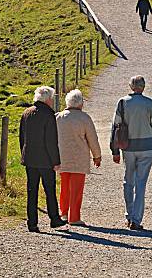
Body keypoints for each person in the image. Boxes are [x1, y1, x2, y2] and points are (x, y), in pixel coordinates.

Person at [110, 75, 152, 230]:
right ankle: (137, 220)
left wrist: (114, 150)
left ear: (131, 87)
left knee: (128, 181)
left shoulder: (122, 102)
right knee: (141, 184)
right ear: (143, 87)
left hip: (128, 148)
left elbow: (115, 127)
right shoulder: (149, 103)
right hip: (146, 148)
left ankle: (129, 215)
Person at [19, 86, 68, 232]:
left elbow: (22, 137)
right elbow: (51, 141)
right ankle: (54, 218)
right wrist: (56, 161)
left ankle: (32, 222)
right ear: (47, 99)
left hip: (30, 158)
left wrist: (24, 154)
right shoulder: (48, 115)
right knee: (49, 190)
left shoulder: (26, 113)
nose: (52, 101)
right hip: (46, 160)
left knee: (31, 191)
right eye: (52, 99)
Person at [56, 89, 101, 226]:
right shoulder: (84, 118)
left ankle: (63, 213)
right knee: (76, 189)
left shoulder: (58, 117)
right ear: (81, 103)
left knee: (64, 187)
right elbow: (92, 138)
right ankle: (74, 217)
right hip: (79, 158)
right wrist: (97, 156)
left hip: (61, 157)